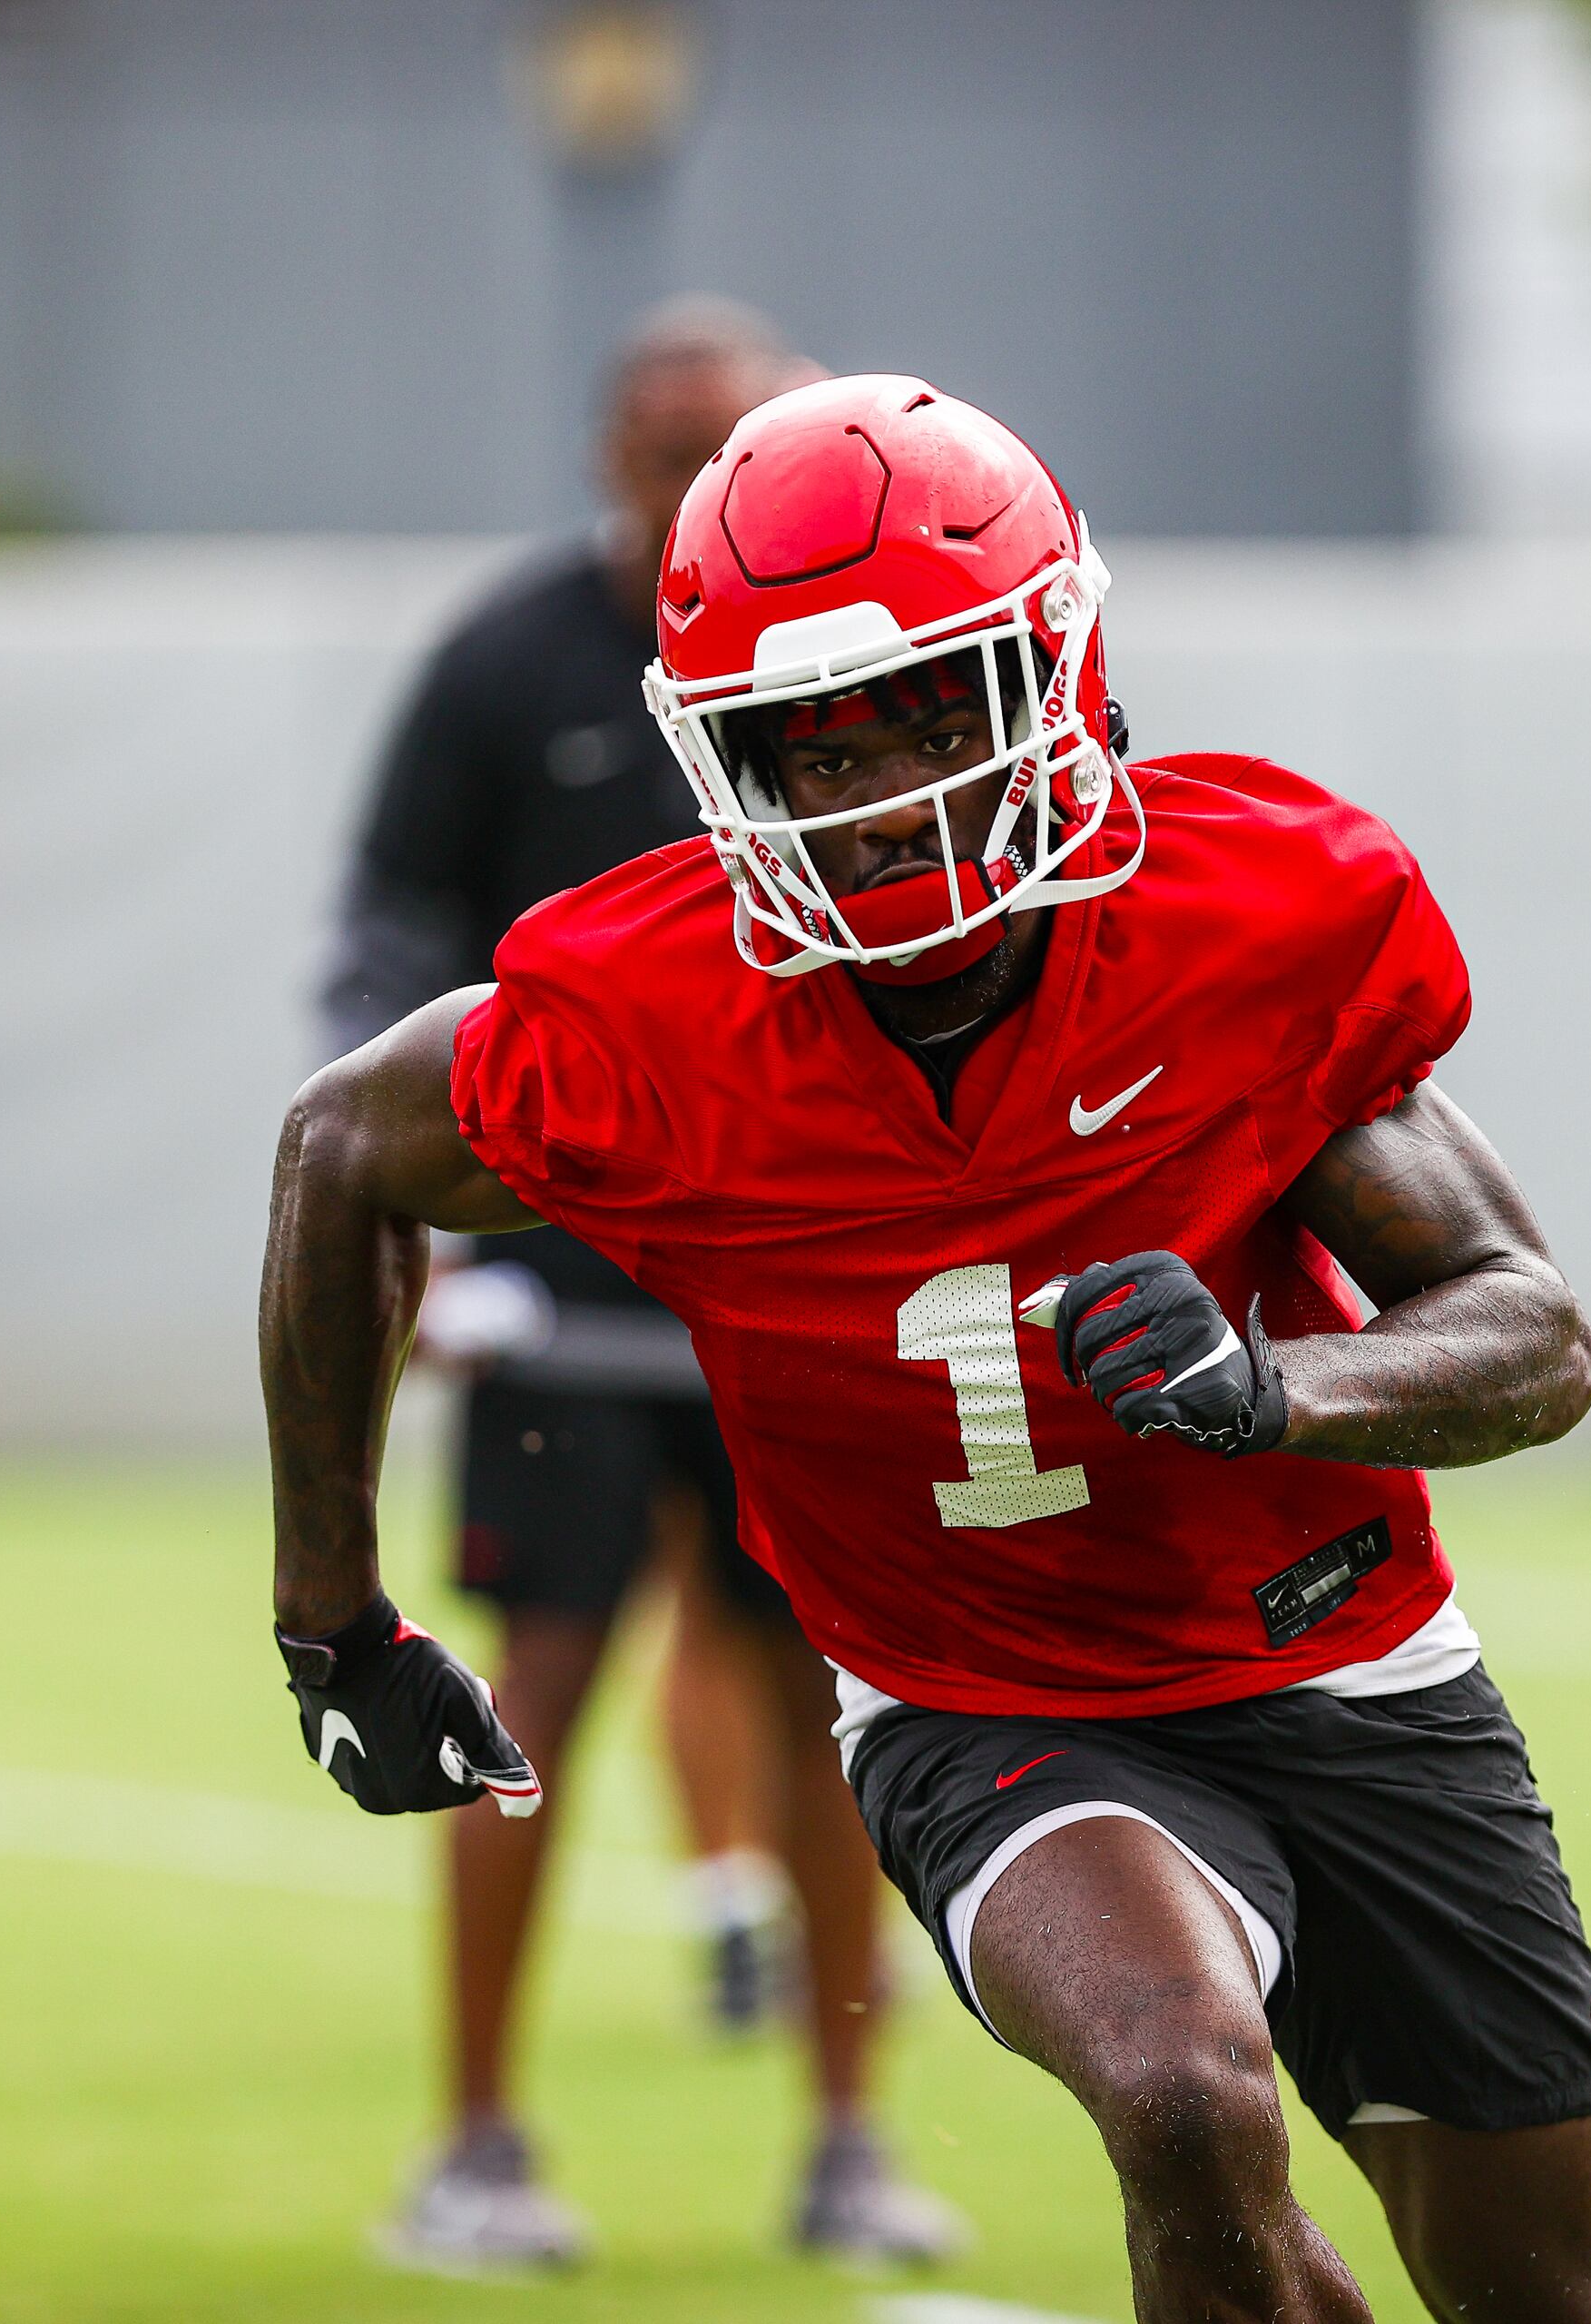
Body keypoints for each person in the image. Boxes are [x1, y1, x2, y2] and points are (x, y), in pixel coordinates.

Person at [261, 372, 1591, 2323]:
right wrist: (333, 1618)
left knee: (1565, 2301)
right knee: (1180, 2086)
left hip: (1343, 1652)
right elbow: (340, 1144)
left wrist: (1275, 1390)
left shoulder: (1239, 920)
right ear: (723, 760)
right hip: (987, 1701)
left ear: (1060, 668)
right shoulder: (651, 1014)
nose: (888, 794)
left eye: (932, 707)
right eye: (812, 749)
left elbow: (1536, 1335)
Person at [316, 297, 959, 2271]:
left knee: (837, 1705)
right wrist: (432, 1241)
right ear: (611, 454)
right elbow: (384, 949)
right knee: (535, 1692)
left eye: (741, 439)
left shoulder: (844, 659)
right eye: (672, 441)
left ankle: (850, 2134)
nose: (704, 475)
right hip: (568, 1289)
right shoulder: (507, 660)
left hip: (791, 1270)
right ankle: (477, 2135)